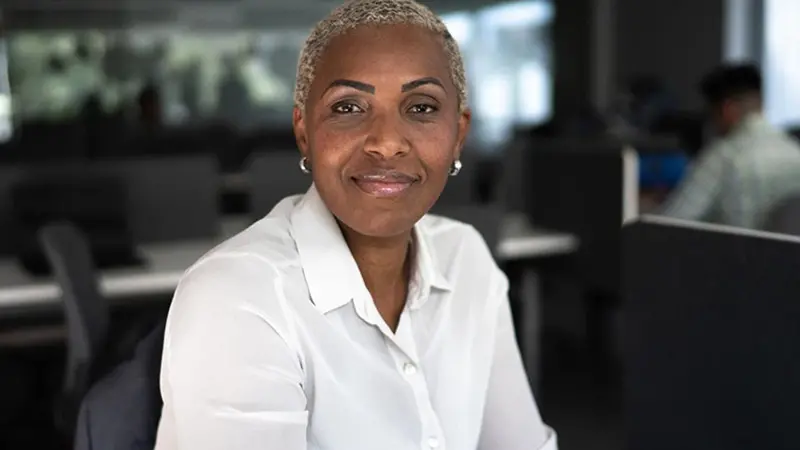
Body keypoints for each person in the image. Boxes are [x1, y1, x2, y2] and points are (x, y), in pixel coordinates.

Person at [153, 1, 556, 449]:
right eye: (348, 107)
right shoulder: (237, 297)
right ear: (304, 131)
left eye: (421, 108)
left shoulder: (467, 258)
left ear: (458, 134)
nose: (386, 143)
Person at [659, 63, 800, 229]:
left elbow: (668, 223)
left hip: (734, 254)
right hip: (788, 255)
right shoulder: (794, 151)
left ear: (726, 109)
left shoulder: (723, 156)